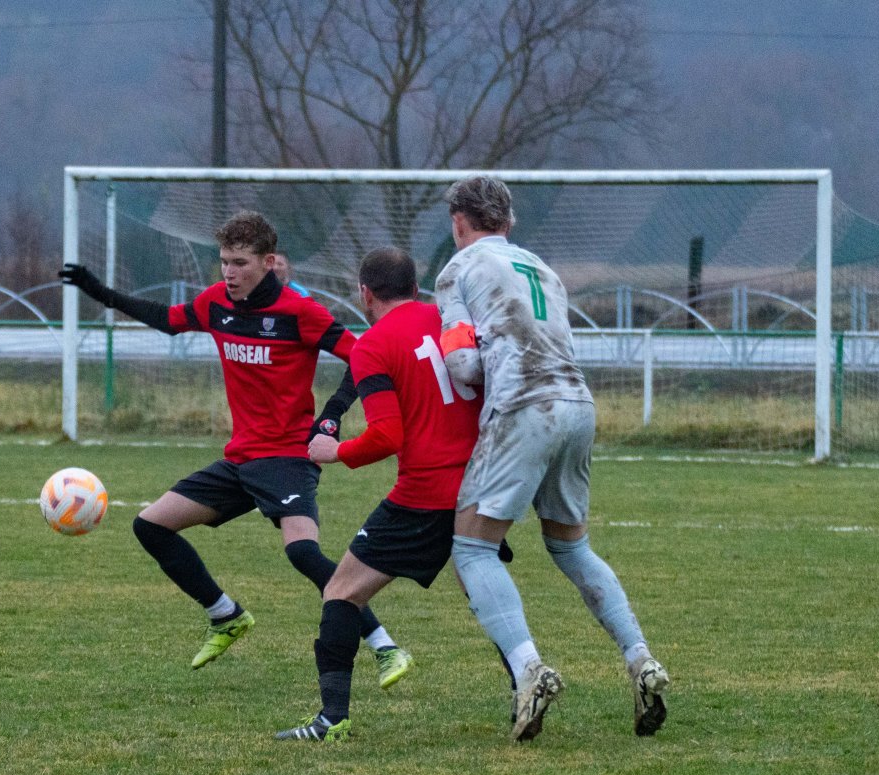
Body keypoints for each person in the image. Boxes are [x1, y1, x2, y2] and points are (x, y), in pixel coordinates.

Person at [59, 211, 413, 686]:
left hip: (288, 458)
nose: (228, 272)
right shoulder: (215, 305)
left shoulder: (300, 312)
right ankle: (225, 615)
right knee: (151, 525)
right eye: (224, 261)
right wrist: (99, 291)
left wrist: (330, 417)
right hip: (241, 458)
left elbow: (363, 357)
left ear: (268, 262)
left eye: (240, 263)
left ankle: (386, 647)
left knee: (304, 554)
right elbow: (167, 320)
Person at [435, 175, 671, 741]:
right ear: (509, 224)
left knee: (471, 549)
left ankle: (528, 670)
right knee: (572, 547)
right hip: (577, 405)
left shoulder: (457, 270)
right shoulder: (544, 268)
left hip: (523, 407)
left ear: (458, 221)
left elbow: (466, 366)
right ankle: (641, 659)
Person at [275, 246, 482, 742]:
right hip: (480, 485)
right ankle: (528, 679)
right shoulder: (453, 320)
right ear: (416, 286)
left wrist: (335, 451)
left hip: (425, 493)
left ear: (364, 293)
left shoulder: (373, 345)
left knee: (341, 591)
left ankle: (332, 719)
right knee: (485, 594)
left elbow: (387, 437)